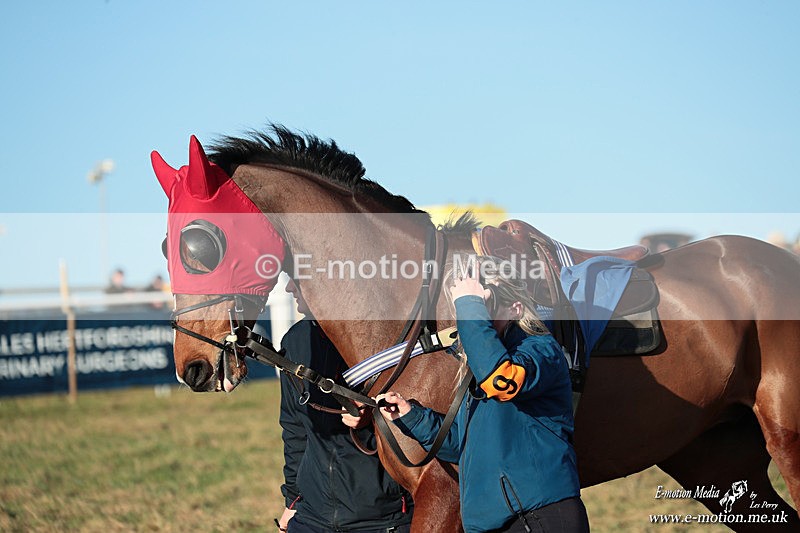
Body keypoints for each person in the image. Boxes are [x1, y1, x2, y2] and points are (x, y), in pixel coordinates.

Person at [343, 258, 589, 533]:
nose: (468, 313)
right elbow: (464, 446)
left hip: (539, 516)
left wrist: (471, 306)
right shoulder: (476, 371)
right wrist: (411, 416)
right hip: (491, 522)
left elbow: (502, 381)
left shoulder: (540, 351)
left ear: (515, 308)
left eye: (481, 302)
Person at [277, 278, 413, 533]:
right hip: (312, 517)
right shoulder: (295, 340)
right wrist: (293, 500)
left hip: (384, 520)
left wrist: (371, 417)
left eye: (295, 278)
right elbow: (295, 427)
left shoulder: (385, 333)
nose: (289, 288)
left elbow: (417, 416)